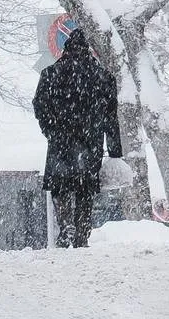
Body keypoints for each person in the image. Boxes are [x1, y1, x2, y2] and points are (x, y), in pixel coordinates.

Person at [33, 29, 122, 248]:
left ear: (66, 48)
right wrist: (114, 151)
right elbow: (111, 116)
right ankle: (82, 233)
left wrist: (50, 129)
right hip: (90, 143)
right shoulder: (103, 76)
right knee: (85, 190)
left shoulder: (50, 73)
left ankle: (65, 226)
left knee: (60, 187)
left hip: (60, 141)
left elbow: (39, 106)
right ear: (88, 49)